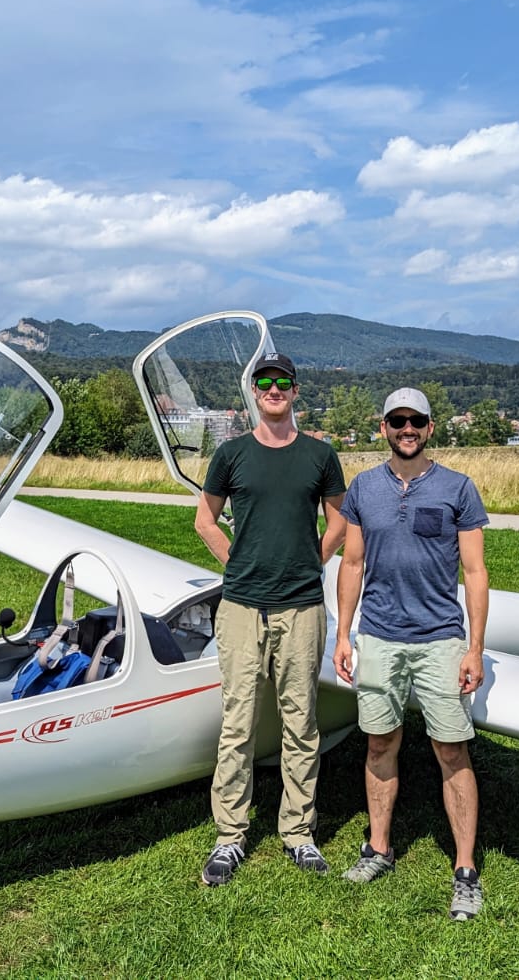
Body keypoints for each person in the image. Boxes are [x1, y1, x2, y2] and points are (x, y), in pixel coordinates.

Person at [333, 387, 490, 920]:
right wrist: (343, 634)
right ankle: (378, 848)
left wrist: (474, 647)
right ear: (383, 428)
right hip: (378, 636)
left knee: (451, 751)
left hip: (440, 638)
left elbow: (474, 572)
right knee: (380, 744)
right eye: (397, 420)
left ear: (429, 427)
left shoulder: (458, 489)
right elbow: (351, 564)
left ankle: (465, 870)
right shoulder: (363, 489)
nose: (407, 428)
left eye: (415, 420)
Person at [196, 351, 348, 886]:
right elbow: (205, 519)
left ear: (295, 391)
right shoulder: (232, 453)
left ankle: (299, 833)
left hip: (302, 606)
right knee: (237, 724)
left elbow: (340, 521)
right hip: (241, 606)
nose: (274, 389)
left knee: (300, 722)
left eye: (282, 382)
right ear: (255, 392)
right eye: (265, 382)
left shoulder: (321, 455)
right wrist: (234, 560)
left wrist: (315, 558)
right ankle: (230, 836)